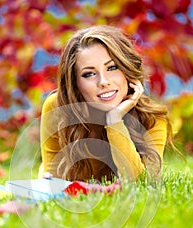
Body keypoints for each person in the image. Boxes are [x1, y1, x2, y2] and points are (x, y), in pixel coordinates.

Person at [39, 25, 172, 182]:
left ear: (127, 69)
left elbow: (142, 184)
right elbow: (53, 182)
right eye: (89, 74)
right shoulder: (58, 107)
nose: (103, 82)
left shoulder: (152, 119)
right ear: (75, 83)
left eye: (112, 68)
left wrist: (114, 121)